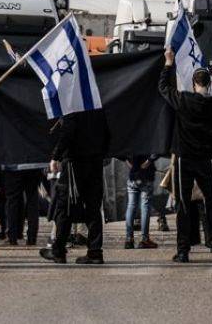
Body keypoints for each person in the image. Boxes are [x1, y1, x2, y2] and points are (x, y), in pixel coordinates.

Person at [157, 50, 212, 263]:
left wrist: (169, 63)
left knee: (183, 205)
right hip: (207, 158)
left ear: (193, 83)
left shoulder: (183, 100)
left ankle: (183, 251)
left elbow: (163, 88)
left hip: (184, 157)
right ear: (210, 83)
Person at [40, 106, 109, 265]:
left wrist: (55, 156)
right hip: (95, 161)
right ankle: (95, 252)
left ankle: (58, 251)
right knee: (93, 207)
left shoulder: (73, 106)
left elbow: (68, 132)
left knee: (65, 207)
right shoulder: (97, 106)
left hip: (74, 163)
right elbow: (107, 133)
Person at [124, 154, 158, 249]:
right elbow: (157, 150)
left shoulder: (129, 138)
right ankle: (144, 239)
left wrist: (129, 162)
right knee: (145, 207)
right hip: (146, 175)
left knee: (131, 206)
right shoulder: (149, 138)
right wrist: (148, 161)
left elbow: (121, 151)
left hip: (133, 175)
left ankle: (129, 239)